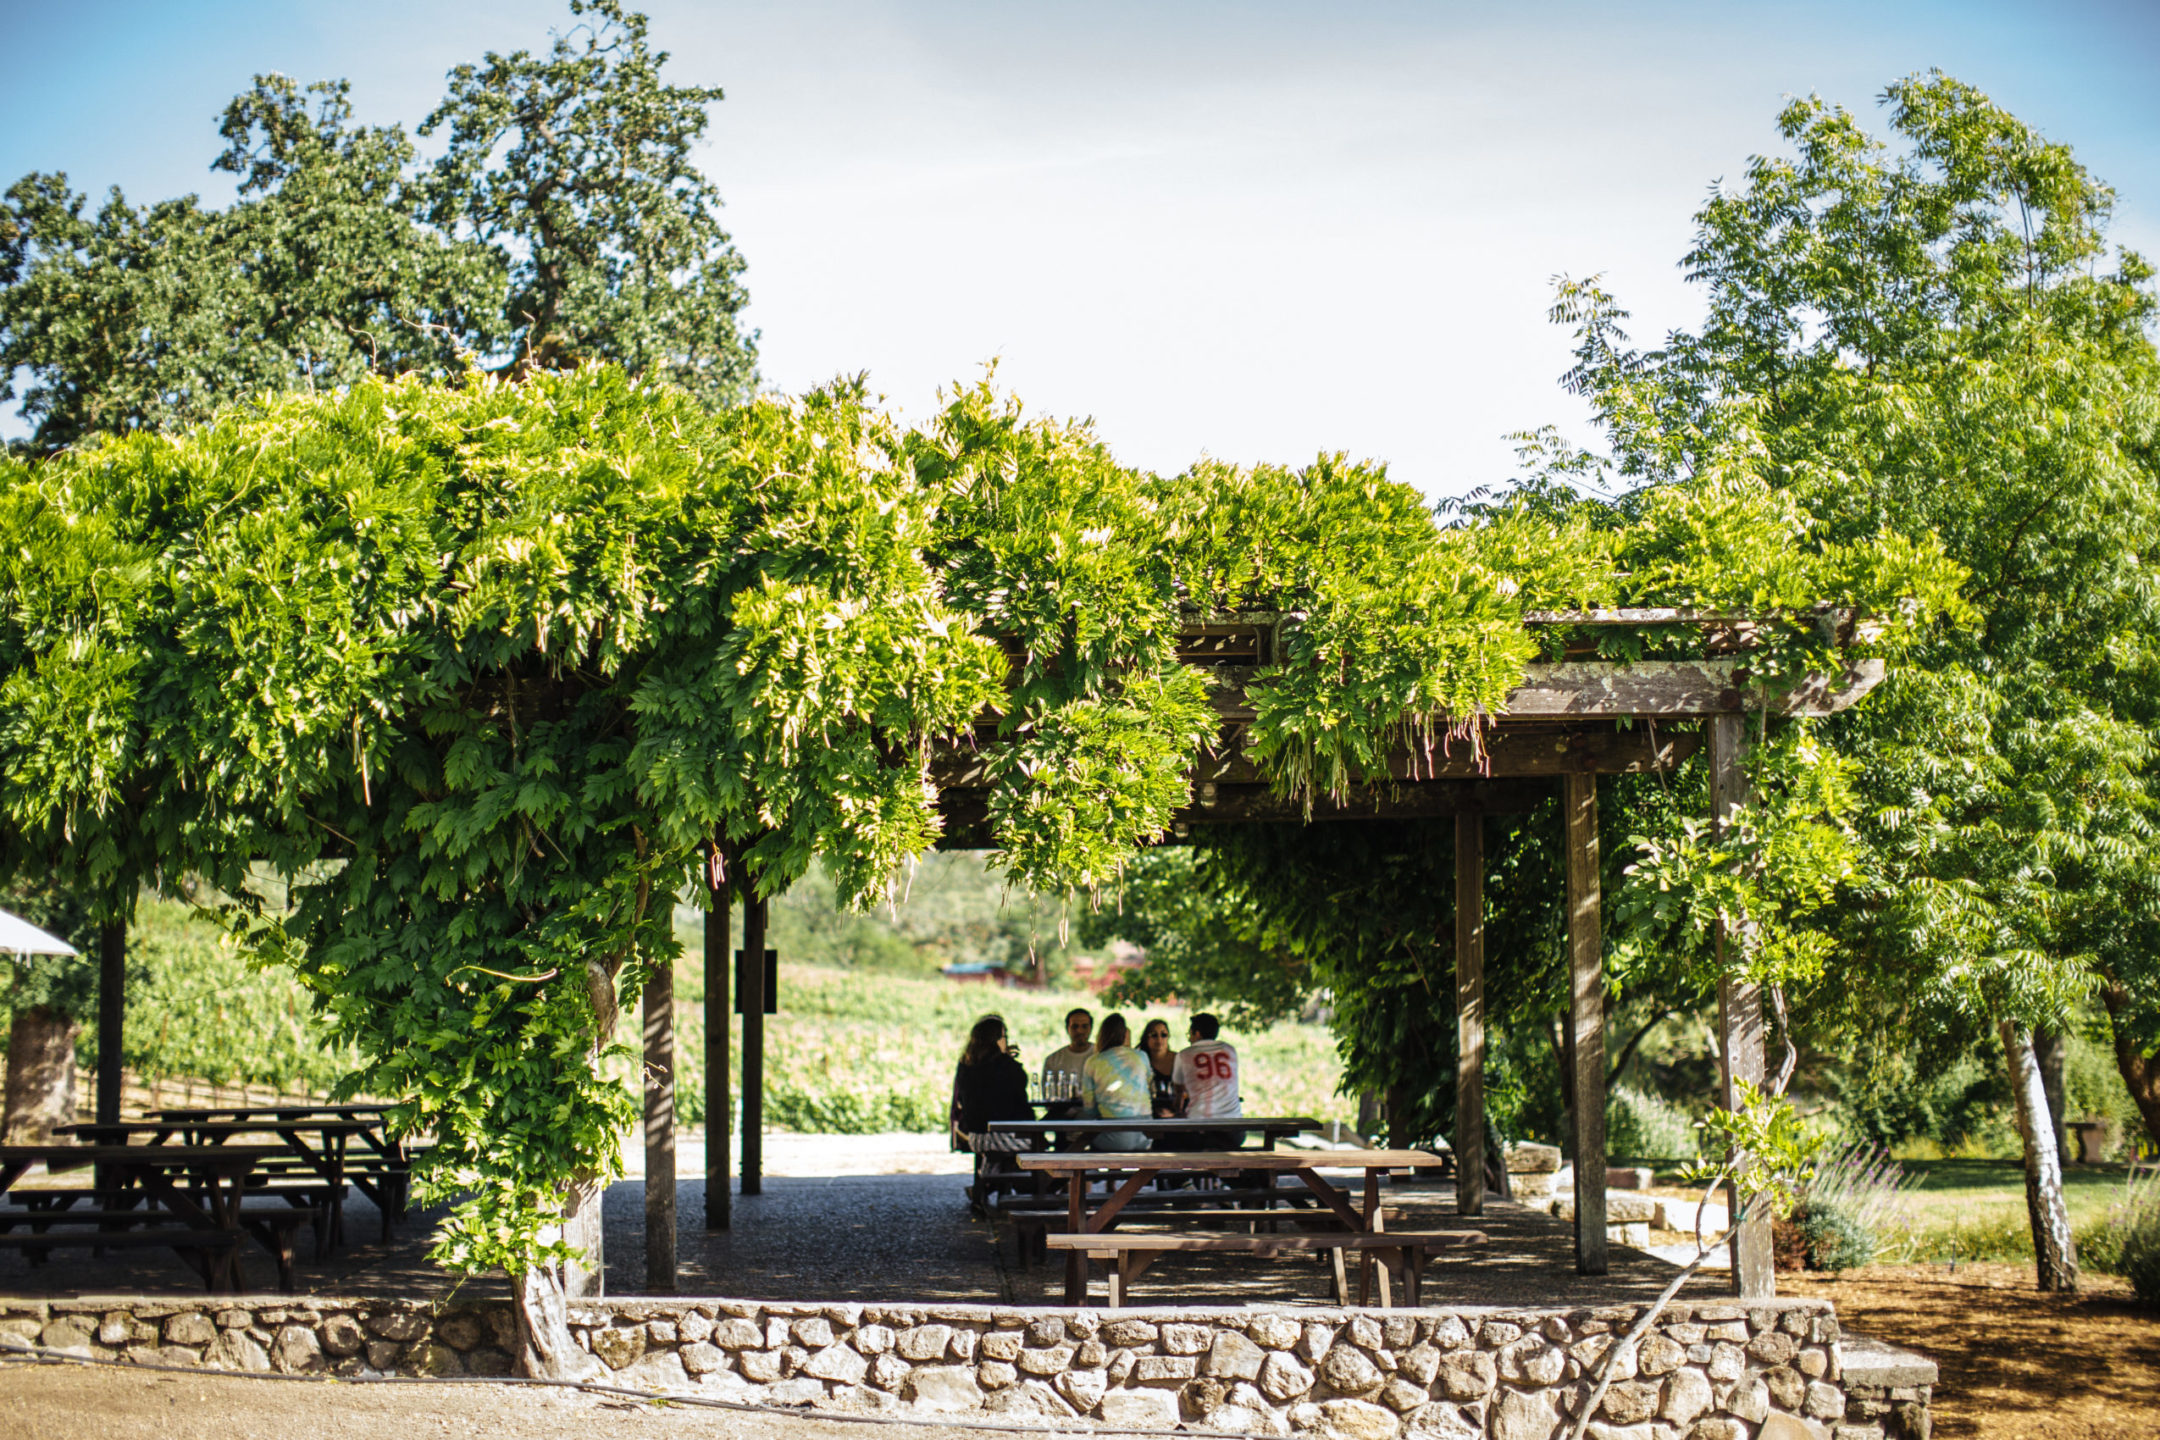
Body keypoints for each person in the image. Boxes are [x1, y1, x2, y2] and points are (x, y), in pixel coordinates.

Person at [952, 1014, 1035, 1202]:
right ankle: (1029, 1189)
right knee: (1037, 1144)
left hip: (976, 1137)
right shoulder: (1008, 1068)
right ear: (998, 1040)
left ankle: (987, 1185)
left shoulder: (965, 1065)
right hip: (1004, 1137)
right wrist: (1009, 1060)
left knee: (1002, 1153)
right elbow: (1020, 1105)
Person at [1079, 1013, 1154, 1152]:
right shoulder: (1142, 1056)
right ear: (1125, 1034)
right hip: (1145, 1136)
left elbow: (1089, 1108)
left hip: (1113, 1137)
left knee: (1080, 1135)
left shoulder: (1094, 1061)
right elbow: (1149, 1084)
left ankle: (1084, 1170)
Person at [1172, 1012, 1241, 1148]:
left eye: (1190, 1034)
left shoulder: (1184, 1054)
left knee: (1172, 1140)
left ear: (1197, 1034)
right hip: (1235, 1129)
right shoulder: (1230, 1050)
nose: (1189, 1039)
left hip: (1200, 1128)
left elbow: (1178, 1087)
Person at [1039, 1007, 1094, 1101]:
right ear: (1067, 1029)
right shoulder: (1053, 1060)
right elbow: (1048, 1098)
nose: (1080, 1031)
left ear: (1091, 1029)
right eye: (1075, 1026)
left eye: (1084, 1026)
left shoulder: (1101, 1057)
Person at [1140, 1018, 1179, 1119]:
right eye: (1154, 1035)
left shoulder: (1179, 1059)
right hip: (1147, 1115)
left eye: (1164, 1035)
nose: (1159, 1039)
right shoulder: (1141, 1060)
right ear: (1146, 1038)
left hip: (1176, 1115)